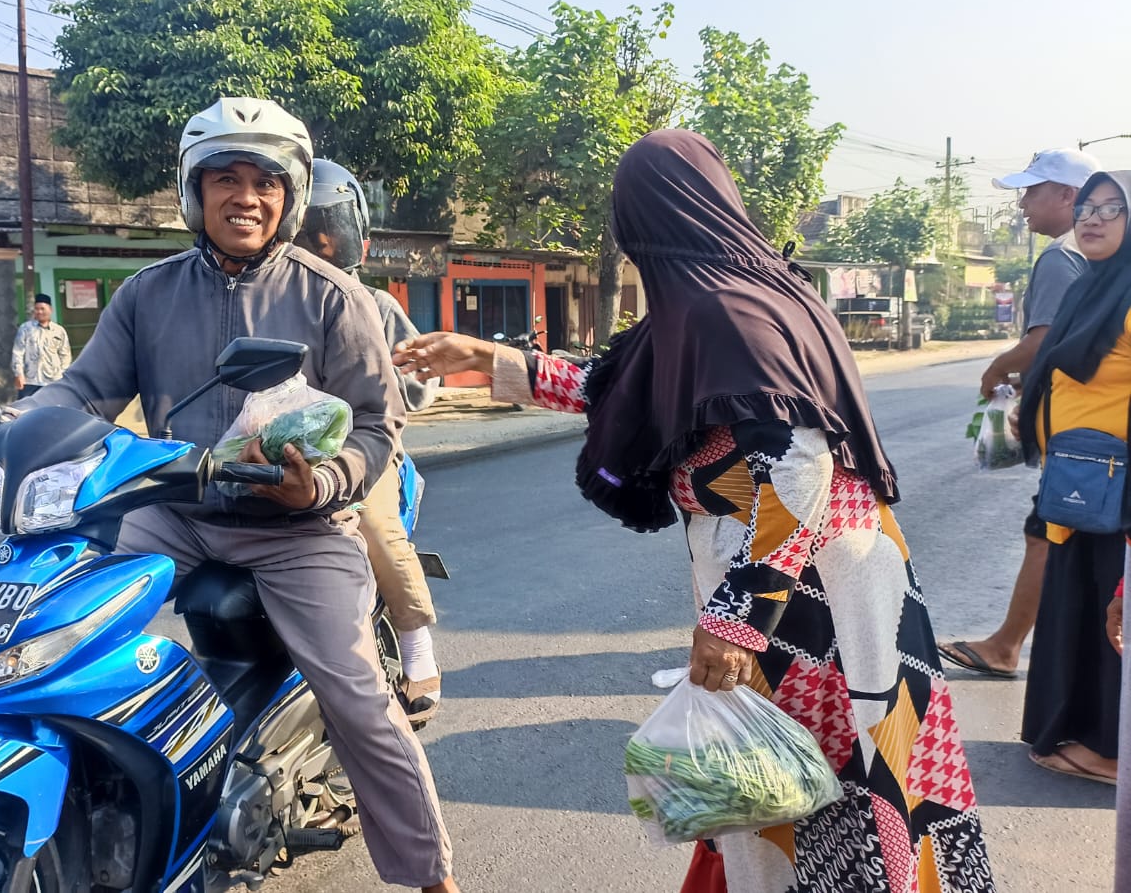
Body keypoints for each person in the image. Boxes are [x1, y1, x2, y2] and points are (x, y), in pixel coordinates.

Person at [395, 129, 994, 892]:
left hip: (810, 606)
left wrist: (738, 617)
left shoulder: (723, 312)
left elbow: (795, 462)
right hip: (838, 581)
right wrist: (489, 360)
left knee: (799, 792)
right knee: (815, 785)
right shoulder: (738, 297)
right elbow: (627, 393)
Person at [0, 97, 458, 893]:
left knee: (357, 699)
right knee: (51, 613)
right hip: (169, 509)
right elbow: (80, 391)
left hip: (295, 527)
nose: (244, 196)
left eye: (264, 181)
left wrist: (318, 482)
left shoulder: (331, 297)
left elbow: (376, 430)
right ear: (192, 190)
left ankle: (432, 877)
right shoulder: (146, 294)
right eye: (224, 178)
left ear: (290, 194)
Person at [939, 148, 1100, 679]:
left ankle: (1008, 646)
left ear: (1068, 196)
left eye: (1033, 191)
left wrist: (996, 370)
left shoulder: (1062, 255)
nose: (1022, 204)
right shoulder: (1102, 255)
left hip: (1081, 424)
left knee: (1050, 529)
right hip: (1096, 419)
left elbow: (1044, 341)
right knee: (1061, 532)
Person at [294, 157, 444, 724]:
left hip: (363, 449)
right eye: (310, 232)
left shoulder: (375, 304)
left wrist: (373, 393)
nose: (320, 244)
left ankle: (417, 647)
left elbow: (420, 385)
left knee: (376, 528)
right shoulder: (271, 300)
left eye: (324, 231)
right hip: (288, 454)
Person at [1016, 170, 1131, 786]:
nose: (1094, 217)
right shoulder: (1097, 286)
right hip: (1080, 487)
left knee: (1116, 618)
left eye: (1113, 208)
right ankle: (1085, 734)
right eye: (1088, 206)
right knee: (1082, 607)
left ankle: (1116, 754)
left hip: (1122, 494)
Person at [11, 292, 73, 398]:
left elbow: (65, 355)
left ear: (50, 310)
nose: (39, 312)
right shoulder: (26, 328)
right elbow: (18, 352)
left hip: (54, 381)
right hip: (30, 381)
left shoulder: (59, 331)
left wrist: (62, 376)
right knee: (27, 411)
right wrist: (19, 374)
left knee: (52, 411)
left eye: (42, 308)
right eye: (37, 309)